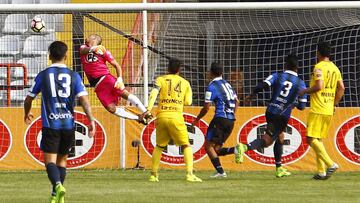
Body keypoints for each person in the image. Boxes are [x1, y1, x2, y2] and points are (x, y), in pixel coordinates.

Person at [24, 41, 96, 203]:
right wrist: (91, 120)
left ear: (50, 56)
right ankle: (56, 196)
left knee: (49, 161)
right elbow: (84, 100)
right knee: (62, 161)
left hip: (51, 124)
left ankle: (57, 185)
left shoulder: (43, 75)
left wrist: (27, 113)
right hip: (69, 125)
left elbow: (29, 98)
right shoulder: (74, 75)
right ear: (66, 55)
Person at [238, 54, 307, 178]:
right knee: (267, 141)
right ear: (297, 68)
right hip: (282, 115)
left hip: (270, 111)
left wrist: (252, 94)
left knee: (280, 137)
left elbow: (263, 85)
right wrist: (292, 103)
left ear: (285, 65)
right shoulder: (301, 83)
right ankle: (244, 147)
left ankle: (279, 168)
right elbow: (302, 107)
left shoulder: (277, 75)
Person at [147, 58, 202, 182]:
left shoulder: (160, 79)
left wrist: (148, 109)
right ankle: (189, 174)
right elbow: (188, 102)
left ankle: (153, 175)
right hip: (176, 116)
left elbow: (154, 93)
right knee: (186, 145)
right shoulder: (185, 82)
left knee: (160, 146)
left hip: (161, 115)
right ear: (179, 70)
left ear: (168, 68)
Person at [79, 34, 151, 124]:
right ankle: (137, 118)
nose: (86, 38)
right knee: (111, 108)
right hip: (97, 86)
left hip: (106, 78)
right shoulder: (84, 47)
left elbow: (116, 65)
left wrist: (120, 79)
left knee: (124, 94)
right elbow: (83, 50)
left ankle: (145, 111)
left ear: (94, 39)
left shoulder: (104, 51)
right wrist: (93, 49)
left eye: (89, 37)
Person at [299, 42, 345, 180]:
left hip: (318, 108)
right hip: (328, 109)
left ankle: (330, 164)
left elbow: (319, 86)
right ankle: (321, 171)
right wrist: (334, 104)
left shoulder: (318, 67)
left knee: (310, 138)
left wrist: (305, 91)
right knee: (318, 138)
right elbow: (342, 88)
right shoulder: (335, 68)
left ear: (318, 53)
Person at [191, 62, 239, 178]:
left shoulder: (212, 86)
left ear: (210, 73)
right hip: (230, 121)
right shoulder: (227, 84)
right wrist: (232, 114)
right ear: (221, 73)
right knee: (216, 150)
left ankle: (221, 172)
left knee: (208, 147)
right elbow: (237, 101)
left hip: (220, 119)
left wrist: (197, 119)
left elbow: (206, 107)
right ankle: (237, 150)